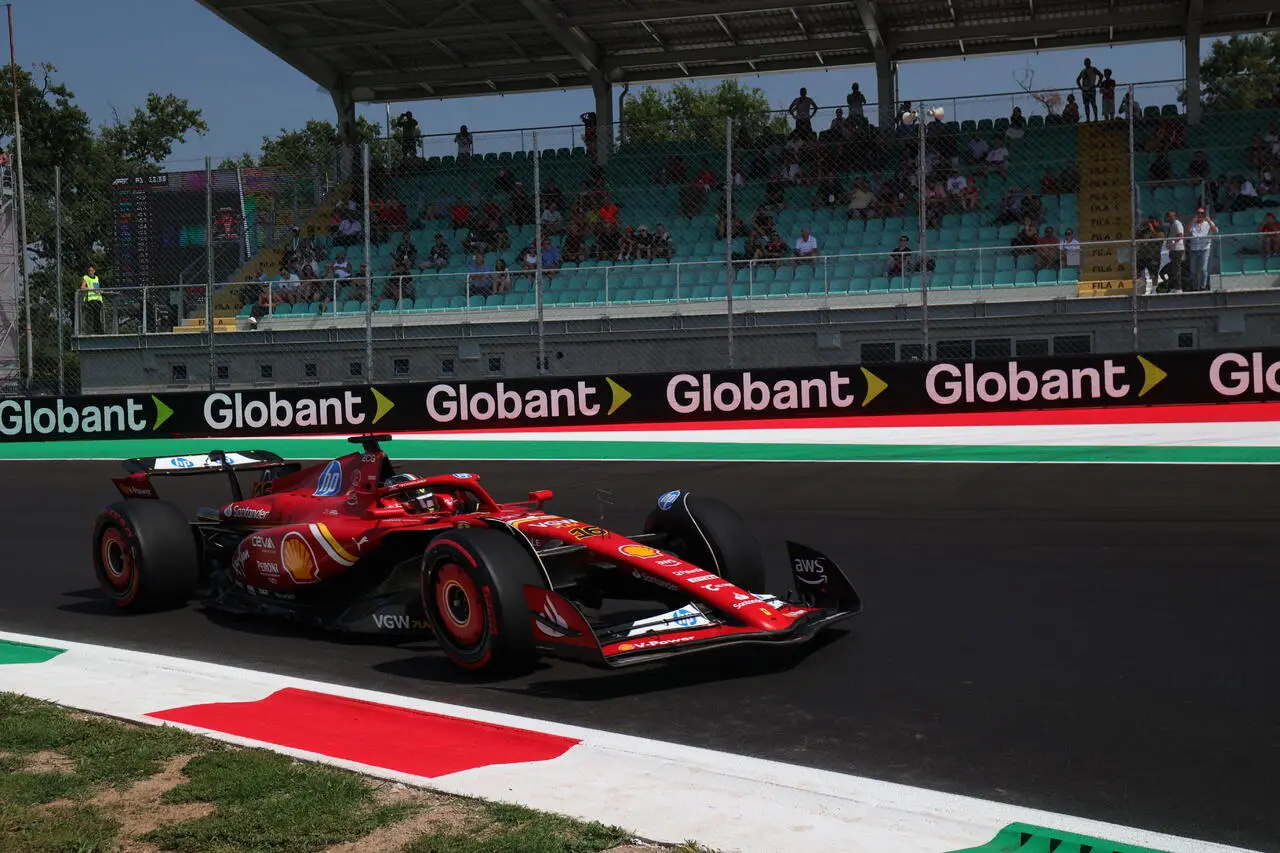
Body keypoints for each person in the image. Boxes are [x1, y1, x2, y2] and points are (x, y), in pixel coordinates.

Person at [1186, 207, 1218, 291]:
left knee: (1203, 269)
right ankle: (1195, 287)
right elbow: (1187, 230)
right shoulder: (1194, 224)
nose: (1200, 215)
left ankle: (1203, 286)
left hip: (1204, 248)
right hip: (1194, 248)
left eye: (1202, 213)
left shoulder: (1208, 223)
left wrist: (1209, 221)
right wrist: (1193, 221)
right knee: (1193, 270)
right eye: (1198, 213)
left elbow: (1215, 230)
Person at [80, 264, 103, 335]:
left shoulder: (96, 278)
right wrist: (91, 288)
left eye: (92, 270)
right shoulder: (86, 277)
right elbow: (82, 287)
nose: (90, 272)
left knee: (97, 316)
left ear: (94, 271)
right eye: (89, 270)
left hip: (98, 299)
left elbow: (97, 288)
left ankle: (98, 331)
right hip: (90, 300)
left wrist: (99, 291)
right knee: (91, 316)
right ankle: (91, 331)